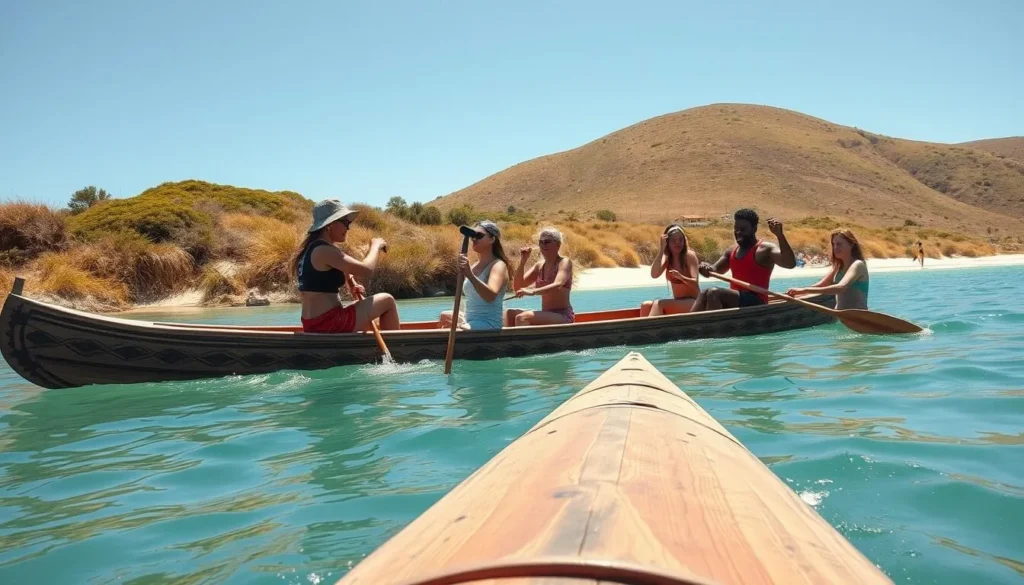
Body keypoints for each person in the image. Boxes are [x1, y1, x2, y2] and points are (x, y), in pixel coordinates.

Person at [291, 199, 400, 333]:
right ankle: (397, 344)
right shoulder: (324, 251)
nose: (348, 228)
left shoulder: (311, 250)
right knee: (387, 300)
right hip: (329, 323)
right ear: (329, 224)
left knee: (375, 320)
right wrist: (375, 246)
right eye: (345, 222)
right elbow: (367, 269)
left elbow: (341, 273)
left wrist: (352, 285)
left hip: (315, 323)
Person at [690, 208, 796, 312]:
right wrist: (705, 268)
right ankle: (689, 321)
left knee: (714, 293)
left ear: (754, 229)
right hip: (737, 301)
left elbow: (790, 264)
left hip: (757, 302)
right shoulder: (731, 250)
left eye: (743, 229)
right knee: (704, 293)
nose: (738, 232)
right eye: (736, 229)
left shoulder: (765, 249)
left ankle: (713, 323)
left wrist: (780, 236)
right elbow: (715, 270)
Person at [438, 220, 511, 330]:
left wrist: (470, 275)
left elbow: (490, 296)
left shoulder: (498, 265)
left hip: (489, 323)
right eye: (473, 236)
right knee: (444, 316)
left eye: (479, 236)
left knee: (463, 328)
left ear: (492, 239)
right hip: (470, 320)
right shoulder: (474, 266)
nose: (474, 239)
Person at [505, 227, 575, 326]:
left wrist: (533, 291)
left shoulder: (564, 262)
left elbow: (558, 284)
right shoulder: (539, 266)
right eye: (541, 242)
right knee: (509, 314)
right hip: (546, 314)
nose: (543, 245)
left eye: (547, 242)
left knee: (522, 317)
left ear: (558, 244)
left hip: (562, 316)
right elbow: (518, 287)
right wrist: (523, 261)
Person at [786, 229, 870, 310]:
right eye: (834, 244)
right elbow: (821, 285)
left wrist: (804, 290)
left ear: (851, 245)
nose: (835, 247)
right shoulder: (838, 266)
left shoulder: (858, 264)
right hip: (841, 316)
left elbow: (840, 287)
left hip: (857, 316)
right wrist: (796, 293)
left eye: (839, 244)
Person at [641, 224, 700, 316]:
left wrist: (681, 277)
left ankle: (648, 325)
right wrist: (661, 250)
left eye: (680, 240)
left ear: (684, 241)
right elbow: (654, 275)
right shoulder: (668, 258)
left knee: (659, 304)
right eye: (673, 240)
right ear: (667, 242)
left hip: (694, 302)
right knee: (646, 305)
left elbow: (695, 283)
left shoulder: (689, 255)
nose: (677, 243)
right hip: (678, 302)